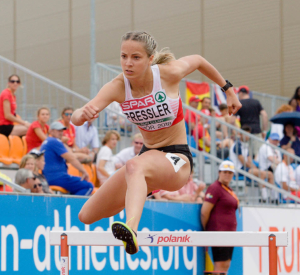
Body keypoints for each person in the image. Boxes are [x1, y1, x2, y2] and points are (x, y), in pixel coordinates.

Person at [71, 31, 241, 255]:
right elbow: (76, 116)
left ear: (150, 59)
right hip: (149, 160)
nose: (128, 63)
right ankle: (141, 189)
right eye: (123, 56)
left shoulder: (168, 74)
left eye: (136, 57)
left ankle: (130, 229)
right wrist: (83, 114)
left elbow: (199, 60)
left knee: (134, 164)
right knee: (86, 215)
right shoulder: (118, 87)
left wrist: (228, 90)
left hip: (177, 159)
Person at [201, 161, 238, 275]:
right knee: (220, 266)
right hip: (219, 232)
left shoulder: (227, 189)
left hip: (228, 234)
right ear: (219, 173)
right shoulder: (215, 188)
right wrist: (209, 231)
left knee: (225, 265)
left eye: (230, 173)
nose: (227, 175)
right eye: (225, 172)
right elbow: (205, 212)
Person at [40, 121, 93, 196]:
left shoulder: (49, 141)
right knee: (88, 186)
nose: (61, 132)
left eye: (62, 130)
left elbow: (71, 155)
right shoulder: (54, 141)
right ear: (51, 131)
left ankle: (70, 203)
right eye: (58, 130)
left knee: (79, 187)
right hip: (57, 177)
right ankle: (74, 206)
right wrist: (84, 171)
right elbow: (71, 158)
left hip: (52, 177)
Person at [229, 125, 275, 201]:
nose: (247, 136)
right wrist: (255, 169)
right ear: (240, 134)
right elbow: (243, 162)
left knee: (270, 174)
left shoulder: (245, 145)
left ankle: (272, 197)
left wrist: (255, 168)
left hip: (246, 169)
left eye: (248, 134)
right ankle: (264, 197)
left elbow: (249, 160)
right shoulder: (237, 145)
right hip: (239, 170)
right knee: (262, 173)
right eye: (245, 134)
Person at [236, 85, 268, 154]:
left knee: (246, 156)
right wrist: (264, 131)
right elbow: (264, 115)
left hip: (245, 133)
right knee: (258, 154)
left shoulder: (239, 103)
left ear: (241, 93)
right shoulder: (256, 102)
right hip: (256, 131)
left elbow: (232, 120)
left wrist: (238, 131)